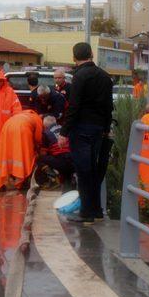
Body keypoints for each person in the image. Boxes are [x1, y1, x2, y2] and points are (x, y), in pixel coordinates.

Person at [59, 42, 113, 224]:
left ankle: (87, 213)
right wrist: (106, 129)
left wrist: (64, 132)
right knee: (95, 171)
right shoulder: (105, 77)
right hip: (98, 129)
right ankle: (96, 211)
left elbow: (74, 107)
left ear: (74, 58)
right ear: (91, 54)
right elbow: (108, 107)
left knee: (84, 172)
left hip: (81, 129)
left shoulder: (79, 77)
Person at [0, 109, 43, 191]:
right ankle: (21, 182)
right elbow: (38, 138)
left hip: (7, 127)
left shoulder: (20, 115)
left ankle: (0, 183)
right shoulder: (37, 119)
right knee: (23, 155)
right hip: (23, 129)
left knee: (5, 153)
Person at [0, 70, 22, 163]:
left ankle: (1, 166)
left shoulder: (10, 92)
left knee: (4, 147)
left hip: (5, 126)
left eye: (0, 80)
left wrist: (15, 124)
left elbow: (16, 108)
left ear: (4, 81)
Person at [37, 116, 75, 191]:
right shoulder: (65, 129)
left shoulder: (45, 133)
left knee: (39, 159)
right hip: (74, 162)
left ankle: (52, 180)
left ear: (45, 126)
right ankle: (70, 178)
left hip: (61, 162)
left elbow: (43, 153)